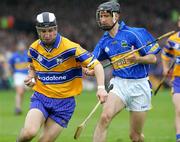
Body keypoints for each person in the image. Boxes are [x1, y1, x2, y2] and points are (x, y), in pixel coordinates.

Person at [16, 12, 107, 142]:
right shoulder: (33, 48)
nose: (47, 34)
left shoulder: (71, 48)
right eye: (43, 31)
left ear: (56, 29)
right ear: (38, 31)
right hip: (41, 97)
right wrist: (31, 77)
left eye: (50, 30)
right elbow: (32, 66)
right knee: (28, 133)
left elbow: (97, 65)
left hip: (64, 103)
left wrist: (101, 88)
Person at [84, 1, 161, 142]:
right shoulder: (104, 42)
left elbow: (153, 58)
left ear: (116, 16)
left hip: (140, 86)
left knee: (135, 136)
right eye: (100, 16)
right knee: (104, 117)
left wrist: (138, 59)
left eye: (106, 16)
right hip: (118, 84)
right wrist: (91, 70)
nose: (102, 19)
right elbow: (93, 63)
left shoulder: (135, 33)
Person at [161, 16, 180, 142]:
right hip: (178, 79)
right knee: (179, 109)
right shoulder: (173, 40)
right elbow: (165, 54)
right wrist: (165, 68)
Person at [9, 41, 29, 115]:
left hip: (27, 75)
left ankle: (19, 107)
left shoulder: (28, 54)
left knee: (22, 93)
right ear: (17, 47)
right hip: (18, 75)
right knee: (19, 91)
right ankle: (17, 108)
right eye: (20, 46)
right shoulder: (14, 56)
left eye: (22, 46)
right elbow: (10, 65)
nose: (21, 47)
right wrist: (10, 74)